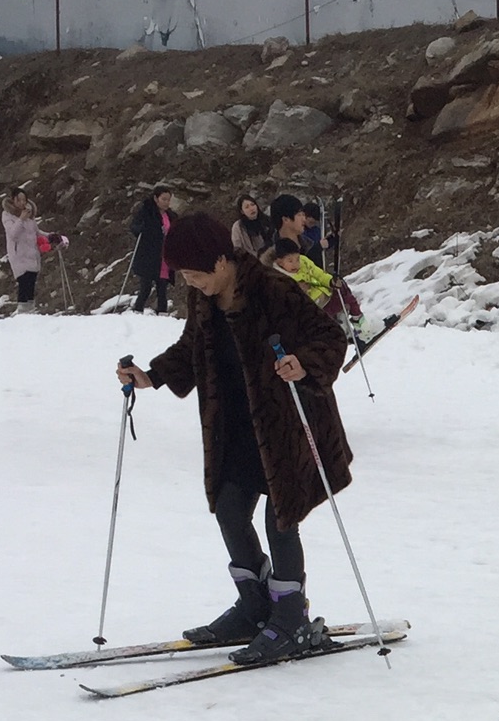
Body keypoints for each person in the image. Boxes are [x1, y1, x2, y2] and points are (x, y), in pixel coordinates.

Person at [112, 212, 352, 667]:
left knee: (281, 517)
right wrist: (153, 376)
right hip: (236, 425)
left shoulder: (273, 290)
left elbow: (330, 336)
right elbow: (192, 348)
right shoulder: (203, 299)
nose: (190, 281)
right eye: (183, 274)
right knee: (228, 506)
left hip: (286, 423)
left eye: (196, 272)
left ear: (223, 261)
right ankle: (255, 606)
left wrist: (303, 363)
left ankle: (289, 618)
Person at [129, 187, 173, 315]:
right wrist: (140, 228)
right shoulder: (147, 212)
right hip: (148, 254)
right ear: (156, 198)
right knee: (146, 286)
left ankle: (162, 312)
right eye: (163, 199)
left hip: (164, 255)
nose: (166, 202)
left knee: (163, 286)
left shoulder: (170, 215)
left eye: (168, 200)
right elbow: (134, 226)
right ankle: (138, 310)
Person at [0, 190, 45, 314]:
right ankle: (22, 310)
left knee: (31, 281)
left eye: (24, 200)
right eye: (18, 200)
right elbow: (13, 234)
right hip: (19, 254)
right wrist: (20, 219)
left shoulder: (30, 216)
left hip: (32, 253)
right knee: (23, 282)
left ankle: (30, 309)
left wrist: (51, 237)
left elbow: (37, 233)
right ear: (13, 200)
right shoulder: (7, 215)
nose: (22, 203)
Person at [270, 238, 333, 307]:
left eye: (297, 259)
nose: (295, 264)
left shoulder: (304, 262)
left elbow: (318, 273)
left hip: (323, 293)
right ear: (280, 262)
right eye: (290, 261)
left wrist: (330, 281)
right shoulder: (277, 278)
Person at [231, 195, 274, 260]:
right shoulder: (238, 227)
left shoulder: (267, 221)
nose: (251, 208)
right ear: (242, 211)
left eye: (252, 204)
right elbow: (237, 247)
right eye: (247, 207)